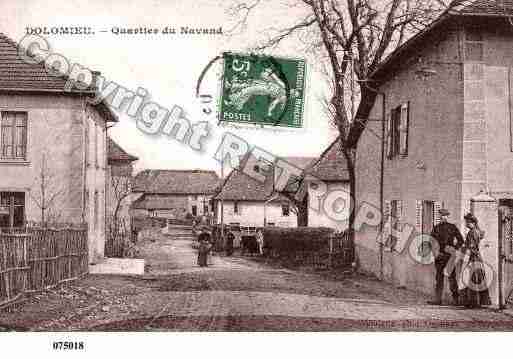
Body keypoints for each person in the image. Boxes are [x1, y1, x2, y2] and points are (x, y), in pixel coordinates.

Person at [428, 208, 464, 306]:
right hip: (440, 256)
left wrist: (453, 249)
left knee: (452, 277)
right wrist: (435, 253)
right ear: (439, 217)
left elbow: (461, 240)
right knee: (439, 277)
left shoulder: (453, 227)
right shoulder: (436, 228)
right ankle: (438, 299)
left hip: (449, 256)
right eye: (441, 215)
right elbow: (431, 242)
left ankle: (456, 299)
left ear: (448, 216)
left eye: (444, 215)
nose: (442, 217)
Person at [458, 213, 491, 309]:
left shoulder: (472, 232)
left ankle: (474, 302)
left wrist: (466, 255)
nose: (466, 224)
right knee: (477, 278)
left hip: (474, 257)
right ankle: (479, 301)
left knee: (473, 279)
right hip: (477, 257)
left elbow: (471, 247)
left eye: (467, 222)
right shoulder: (477, 231)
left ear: (472, 223)